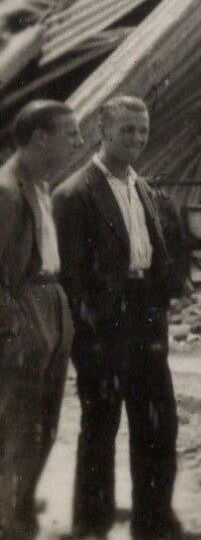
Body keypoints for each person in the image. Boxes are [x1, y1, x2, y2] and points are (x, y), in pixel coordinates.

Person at [51, 96, 200, 540]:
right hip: (103, 324)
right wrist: (87, 330)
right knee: (101, 423)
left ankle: (154, 522)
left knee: (158, 420)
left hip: (145, 315)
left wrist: (164, 298)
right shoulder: (75, 194)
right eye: (126, 131)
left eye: (142, 130)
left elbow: (157, 252)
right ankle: (91, 525)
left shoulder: (144, 190)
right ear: (103, 133)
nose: (137, 139)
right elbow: (70, 275)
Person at [0, 101, 82, 540]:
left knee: (42, 419)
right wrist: (13, 326)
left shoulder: (38, 186)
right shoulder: (6, 191)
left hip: (50, 299)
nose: (79, 142)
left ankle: (19, 507)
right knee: (18, 416)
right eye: (71, 133)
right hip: (24, 304)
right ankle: (10, 520)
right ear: (38, 138)